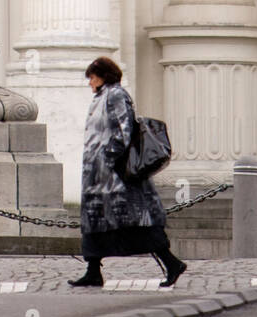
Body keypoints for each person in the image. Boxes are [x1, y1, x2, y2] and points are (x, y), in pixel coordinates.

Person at [69, 57, 186, 289]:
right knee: (95, 224)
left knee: (136, 223)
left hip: (114, 177)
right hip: (97, 177)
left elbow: (124, 129)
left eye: (92, 77)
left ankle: (172, 263)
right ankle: (93, 271)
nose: (89, 83)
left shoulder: (116, 95)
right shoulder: (101, 97)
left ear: (103, 76)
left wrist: (108, 159)